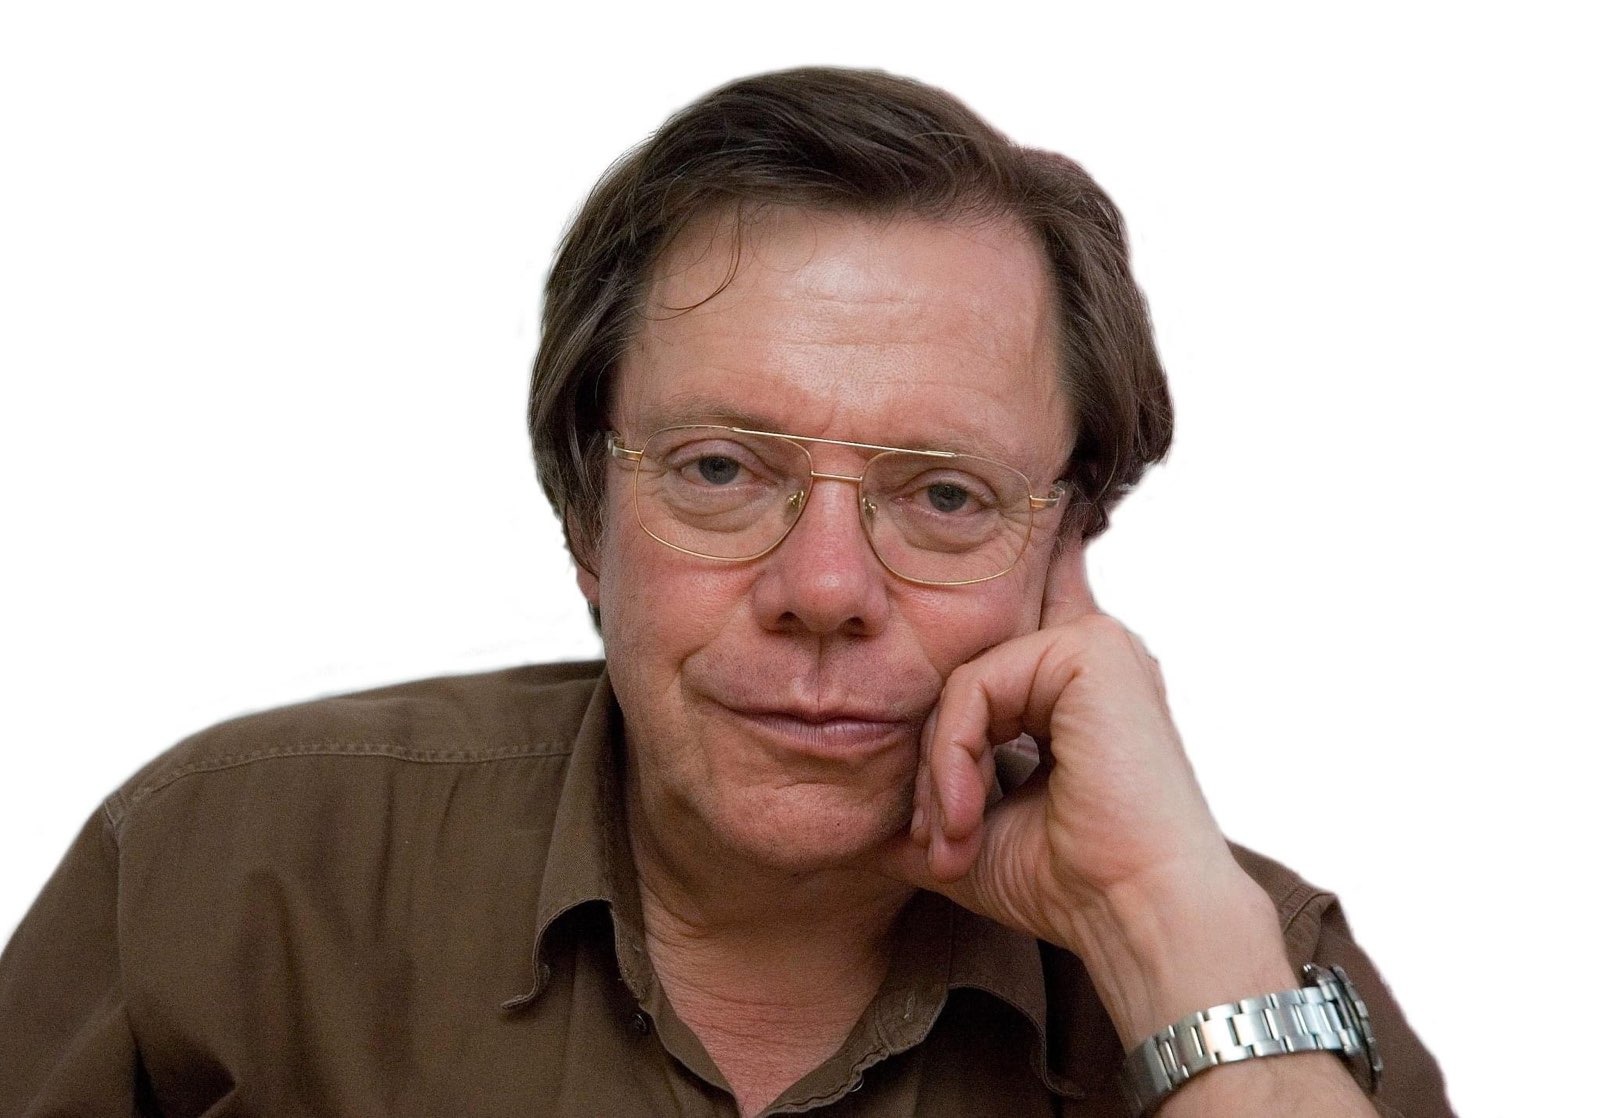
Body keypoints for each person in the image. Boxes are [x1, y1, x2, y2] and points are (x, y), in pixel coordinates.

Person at [0, 67, 1453, 1116]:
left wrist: (1166, 936)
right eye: (719, 470)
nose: (824, 587)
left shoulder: (1258, 966)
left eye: (945, 496)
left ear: (1065, 547)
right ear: (586, 512)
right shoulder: (219, 879)